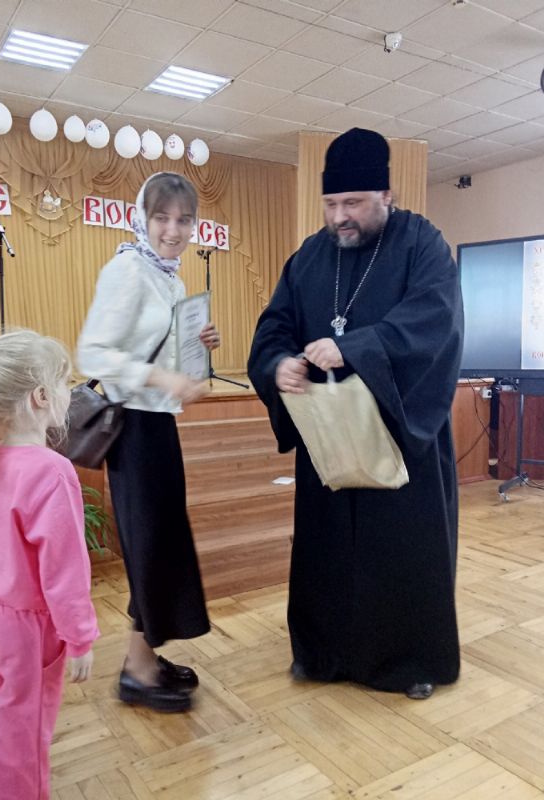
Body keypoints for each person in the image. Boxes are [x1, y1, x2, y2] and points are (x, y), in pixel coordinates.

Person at [248, 128, 464, 700]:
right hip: (329, 437)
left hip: (399, 436)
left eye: (353, 203)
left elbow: (435, 320)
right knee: (327, 552)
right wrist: (276, 364)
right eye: (331, 204)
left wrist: (357, 348)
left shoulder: (422, 244)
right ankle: (324, 654)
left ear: (385, 195)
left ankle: (408, 662)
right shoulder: (309, 256)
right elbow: (274, 326)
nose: (340, 217)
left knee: (400, 555)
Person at [77, 171, 220, 713]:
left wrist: (199, 346)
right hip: (132, 429)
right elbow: (92, 353)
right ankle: (136, 672)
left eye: (184, 219)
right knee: (149, 545)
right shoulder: (129, 270)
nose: (173, 230)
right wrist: (163, 378)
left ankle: (143, 657)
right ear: (142, 217)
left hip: (157, 425)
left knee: (160, 544)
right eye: (162, 217)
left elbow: (160, 351)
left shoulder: (170, 279)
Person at [0, 329, 99, 800]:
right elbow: (65, 572)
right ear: (40, 397)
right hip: (30, 630)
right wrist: (80, 637)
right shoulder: (52, 472)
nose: (70, 391)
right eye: (64, 382)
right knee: (23, 732)